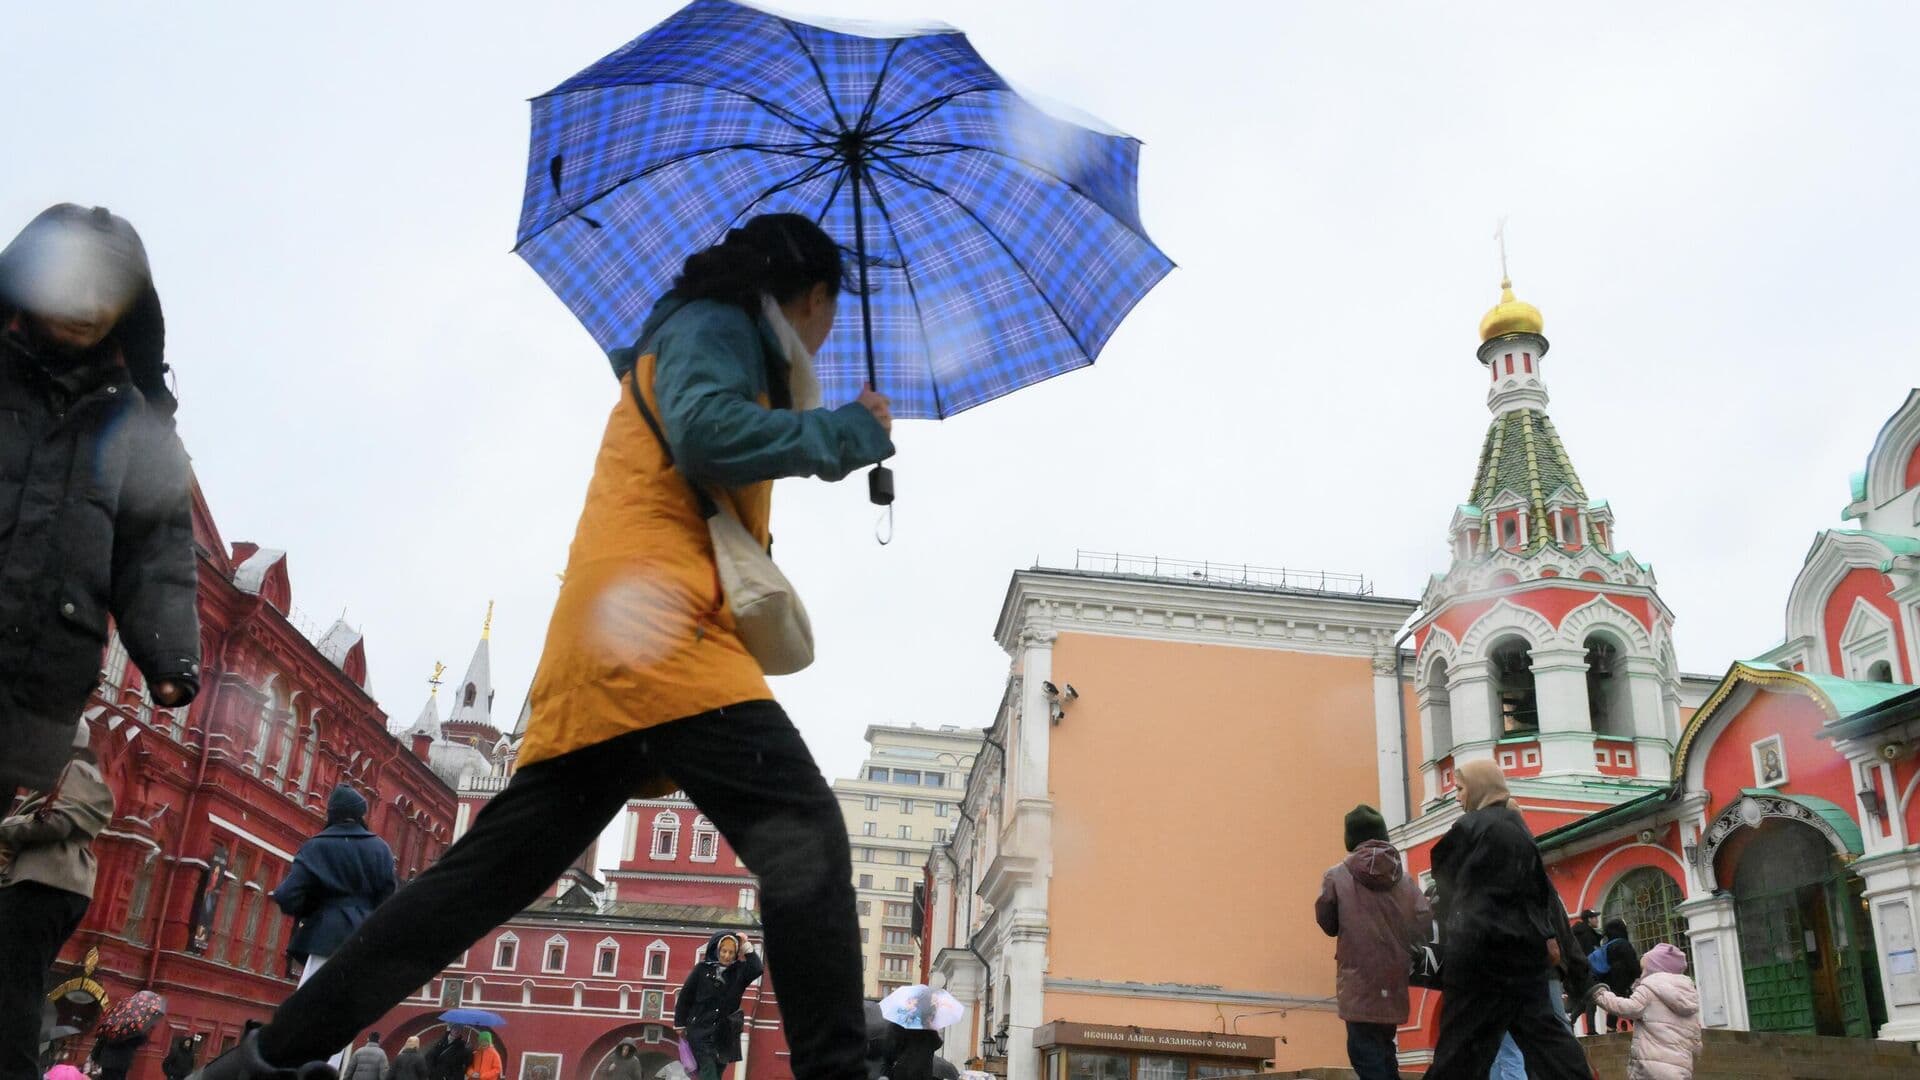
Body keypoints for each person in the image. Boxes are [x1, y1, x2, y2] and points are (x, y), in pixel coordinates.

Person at [197, 213, 892, 1080]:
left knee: (476, 885)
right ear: (812, 295)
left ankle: (260, 1063)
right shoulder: (718, 328)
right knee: (807, 839)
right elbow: (706, 435)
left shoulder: (712, 344)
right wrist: (842, 435)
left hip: (618, 642)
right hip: (660, 636)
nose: (828, 335)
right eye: (830, 312)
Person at [0, 204, 201, 801]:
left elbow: (158, 551)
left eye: (108, 292)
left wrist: (169, 655)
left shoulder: (138, 428)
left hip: (38, 685)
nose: (88, 304)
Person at [1424, 760, 1591, 1080]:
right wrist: (1546, 937)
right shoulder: (1520, 830)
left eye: (1460, 789)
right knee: (1550, 1043)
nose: (1457, 797)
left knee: (1460, 1051)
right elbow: (1539, 893)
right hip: (1525, 956)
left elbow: (1444, 876)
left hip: (1479, 956)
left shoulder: (1470, 827)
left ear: (1479, 788)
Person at [0, 722, 115, 1080]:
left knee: (18, 983)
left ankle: (16, 1071)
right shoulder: (72, 772)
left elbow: (57, 821)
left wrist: (6, 828)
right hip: (54, 886)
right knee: (19, 981)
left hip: (44, 884)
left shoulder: (74, 769)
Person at [269, 785, 396, 1073]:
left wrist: (314, 909)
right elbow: (389, 900)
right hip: (364, 941)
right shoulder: (380, 849)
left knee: (309, 1010)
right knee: (343, 1015)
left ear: (332, 813)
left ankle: (300, 1071)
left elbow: (288, 896)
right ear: (361, 814)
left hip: (324, 937)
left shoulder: (317, 846)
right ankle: (327, 1072)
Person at [1313, 804, 1429, 1080]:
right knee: (1386, 1050)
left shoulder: (1336, 876)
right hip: (1392, 980)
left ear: (1351, 838)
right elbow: (1423, 920)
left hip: (1358, 982)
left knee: (1363, 1052)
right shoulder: (1403, 879)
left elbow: (1327, 923)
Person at [1591, 942, 1700, 1080]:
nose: (1641, 974)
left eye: (1644, 970)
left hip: (1650, 1069)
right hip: (1681, 1069)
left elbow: (1626, 1008)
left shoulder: (1649, 989)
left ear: (1654, 970)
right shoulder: (1688, 994)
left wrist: (1600, 995)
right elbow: (1696, 1039)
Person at [675, 933, 765, 1080]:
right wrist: (679, 1023)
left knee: (716, 1073)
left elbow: (757, 968)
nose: (727, 956)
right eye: (724, 951)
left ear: (736, 953)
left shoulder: (739, 972)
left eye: (731, 952)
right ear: (717, 950)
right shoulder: (702, 970)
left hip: (724, 1035)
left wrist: (745, 945)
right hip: (700, 1030)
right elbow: (685, 997)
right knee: (708, 1070)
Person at [1595, 917, 1643, 1032]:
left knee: (1617, 1002)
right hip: (1624, 979)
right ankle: (1639, 1027)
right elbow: (1632, 962)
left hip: (1611, 980)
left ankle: (1611, 1028)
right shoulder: (1623, 944)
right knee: (1630, 1002)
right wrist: (1639, 975)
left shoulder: (1608, 945)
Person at [1569, 909, 1603, 1034]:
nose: (1597, 920)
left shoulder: (1578, 933)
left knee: (1586, 999)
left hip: (1576, 971)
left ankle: (1570, 1020)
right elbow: (1591, 955)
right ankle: (1591, 1030)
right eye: (1595, 917)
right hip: (1585, 970)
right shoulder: (1587, 935)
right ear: (1589, 919)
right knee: (1591, 998)